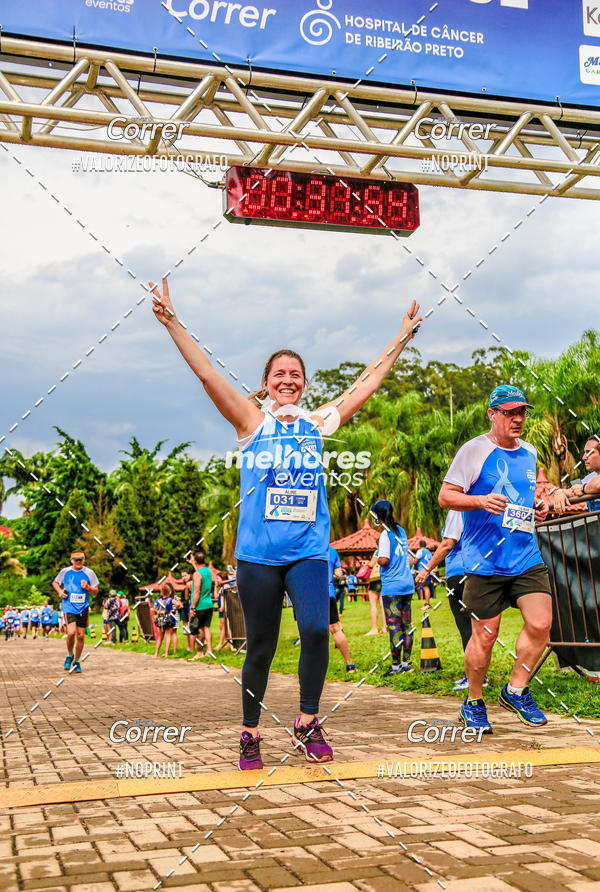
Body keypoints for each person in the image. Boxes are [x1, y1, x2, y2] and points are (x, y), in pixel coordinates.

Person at [152, 276, 421, 769]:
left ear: (305, 383)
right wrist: (172, 323)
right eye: (280, 373)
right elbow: (209, 376)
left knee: (317, 631)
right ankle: (250, 733)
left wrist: (401, 337)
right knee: (262, 646)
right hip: (258, 558)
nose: (288, 380)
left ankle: (306, 721)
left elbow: (368, 382)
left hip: (309, 554)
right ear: (268, 383)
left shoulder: (319, 426)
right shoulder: (252, 424)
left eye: (296, 374)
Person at [439, 384, 552, 733]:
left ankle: (515, 689)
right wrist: (481, 500)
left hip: (524, 555)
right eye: (510, 413)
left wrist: (538, 507)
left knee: (541, 624)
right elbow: (446, 496)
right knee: (485, 636)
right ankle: (473, 702)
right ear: (493, 414)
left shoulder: (530, 452)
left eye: (522, 413)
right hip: (483, 560)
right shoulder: (473, 451)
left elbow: (524, 496)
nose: (518, 419)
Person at [415, 510, 478, 692]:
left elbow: (447, 545)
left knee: (466, 627)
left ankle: (475, 677)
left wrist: (426, 569)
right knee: (475, 627)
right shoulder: (475, 511)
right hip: (474, 571)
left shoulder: (456, 511)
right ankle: (478, 675)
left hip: (457, 574)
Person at [372, 500, 415, 676]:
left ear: (378, 516)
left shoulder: (384, 535)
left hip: (392, 586)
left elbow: (384, 559)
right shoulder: (401, 530)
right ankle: (407, 662)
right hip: (407, 584)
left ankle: (396, 666)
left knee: (394, 626)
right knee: (407, 625)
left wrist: (376, 557)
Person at [52, 551, 99, 673]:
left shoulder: (89, 573)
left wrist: (88, 587)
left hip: (83, 607)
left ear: (84, 560)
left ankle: (77, 661)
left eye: (81, 559)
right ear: (71, 560)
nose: (78, 562)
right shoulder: (65, 571)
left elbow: (96, 590)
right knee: (71, 633)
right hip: (69, 607)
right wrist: (60, 592)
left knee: (81, 636)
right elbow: (55, 582)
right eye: (76, 560)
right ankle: (69, 655)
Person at [553, 436, 600, 514]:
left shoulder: (585, 484)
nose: (584, 457)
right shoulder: (589, 478)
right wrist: (560, 492)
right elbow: (573, 490)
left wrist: (584, 488)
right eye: (585, 452)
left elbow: (598, 485)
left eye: (589, 452)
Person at [327, 545, 356, 673]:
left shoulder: (304, 545)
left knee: (309, 632)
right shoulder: (332, 551)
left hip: (308, 595)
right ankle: (349, 664)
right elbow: (339, 574)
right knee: (336, 629)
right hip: (328, 593)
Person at [188, 551, 214, 660]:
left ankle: (199, 653)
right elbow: (199, 572)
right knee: (206, 628)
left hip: (200, 605)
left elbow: (197, 591)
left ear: (196, 561)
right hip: (209, 603)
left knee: (199, 630)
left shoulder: (197, 574)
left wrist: (193, 607)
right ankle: (209, 650)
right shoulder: (208, 571)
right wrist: (193, 563)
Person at [152, 582, 180, 658]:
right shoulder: (170, 600)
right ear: (170, 592)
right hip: (169, 620)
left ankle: (156, 653)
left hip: (161, 620)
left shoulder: (158, 601)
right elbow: (178, 604)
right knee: (168, 636)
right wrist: (173, 610)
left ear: (161, 592)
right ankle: (166, 653)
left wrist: (157, 611)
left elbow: (154, 609)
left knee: (160, 637)